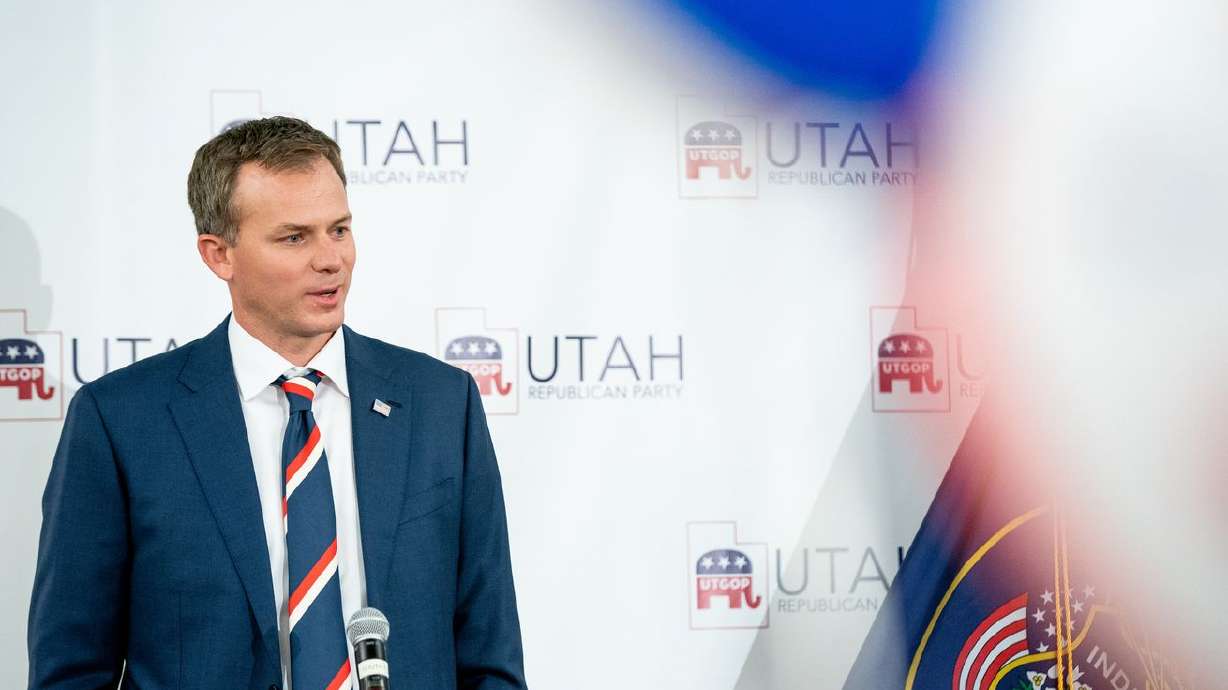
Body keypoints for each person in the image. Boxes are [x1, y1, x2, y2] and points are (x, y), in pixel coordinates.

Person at [27, 116, 527, 690]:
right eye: (295, 237)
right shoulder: (120, 421)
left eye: (339, 230)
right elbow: (71, 668)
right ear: (219, 255)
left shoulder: (442, 403)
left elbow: (490, 651)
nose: (330, 260)